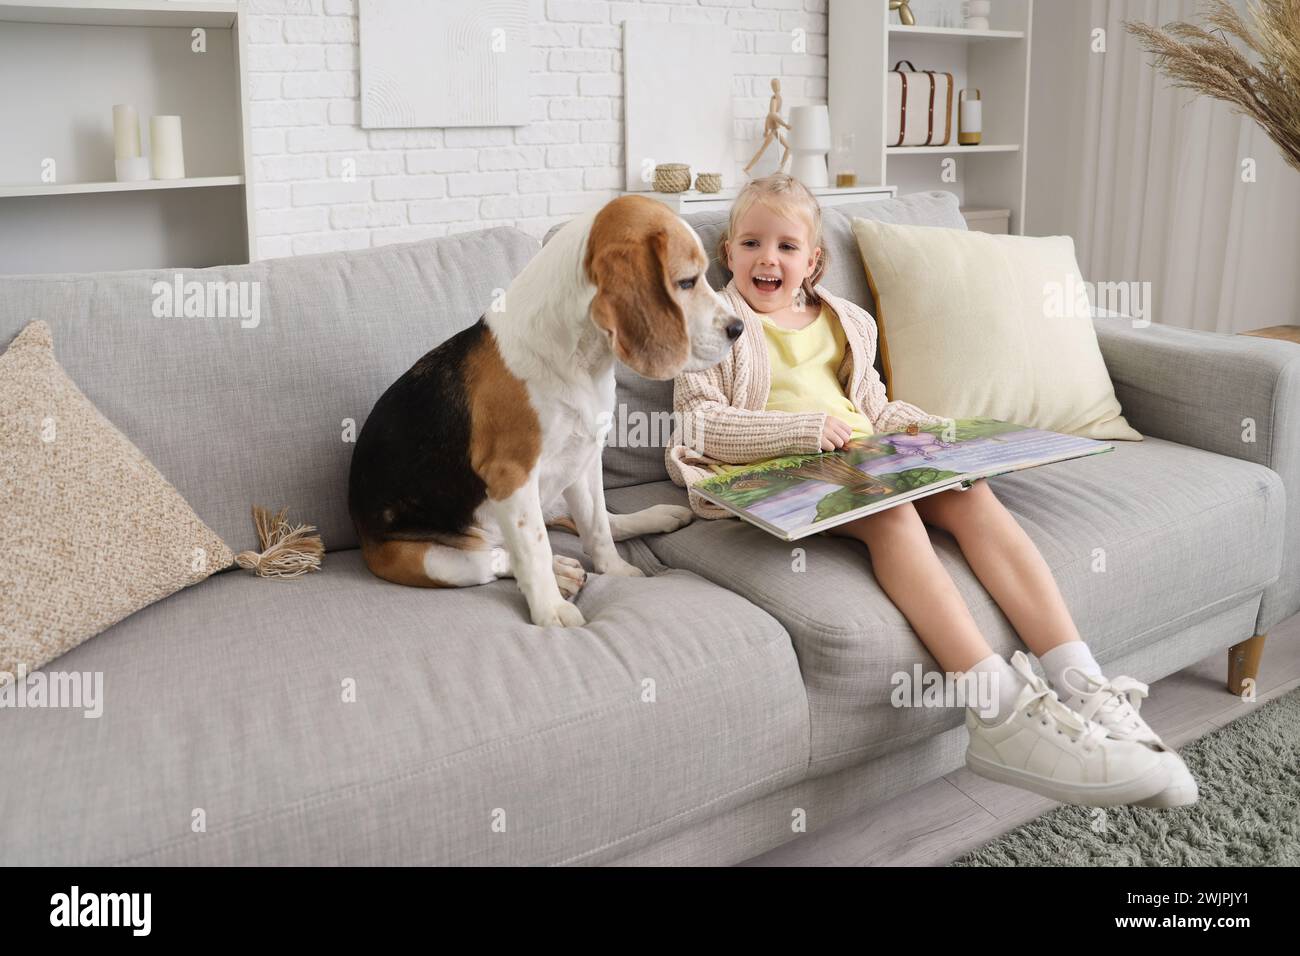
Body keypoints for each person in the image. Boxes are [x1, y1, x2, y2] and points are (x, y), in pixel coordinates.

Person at [666, 173, 1196, 808]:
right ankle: (999, 714)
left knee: (970, 493)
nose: (767, 258)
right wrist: (804, 430)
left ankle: (1082, 683)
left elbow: (872, 407)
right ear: (727, 254)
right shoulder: (711, 326)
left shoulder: (849, 323)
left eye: (785, 246)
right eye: (751, 243)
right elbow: (697, 424)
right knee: (893, 519)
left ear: (813, 261)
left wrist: (932, 432)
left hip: (864, 456)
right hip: (774, 474)